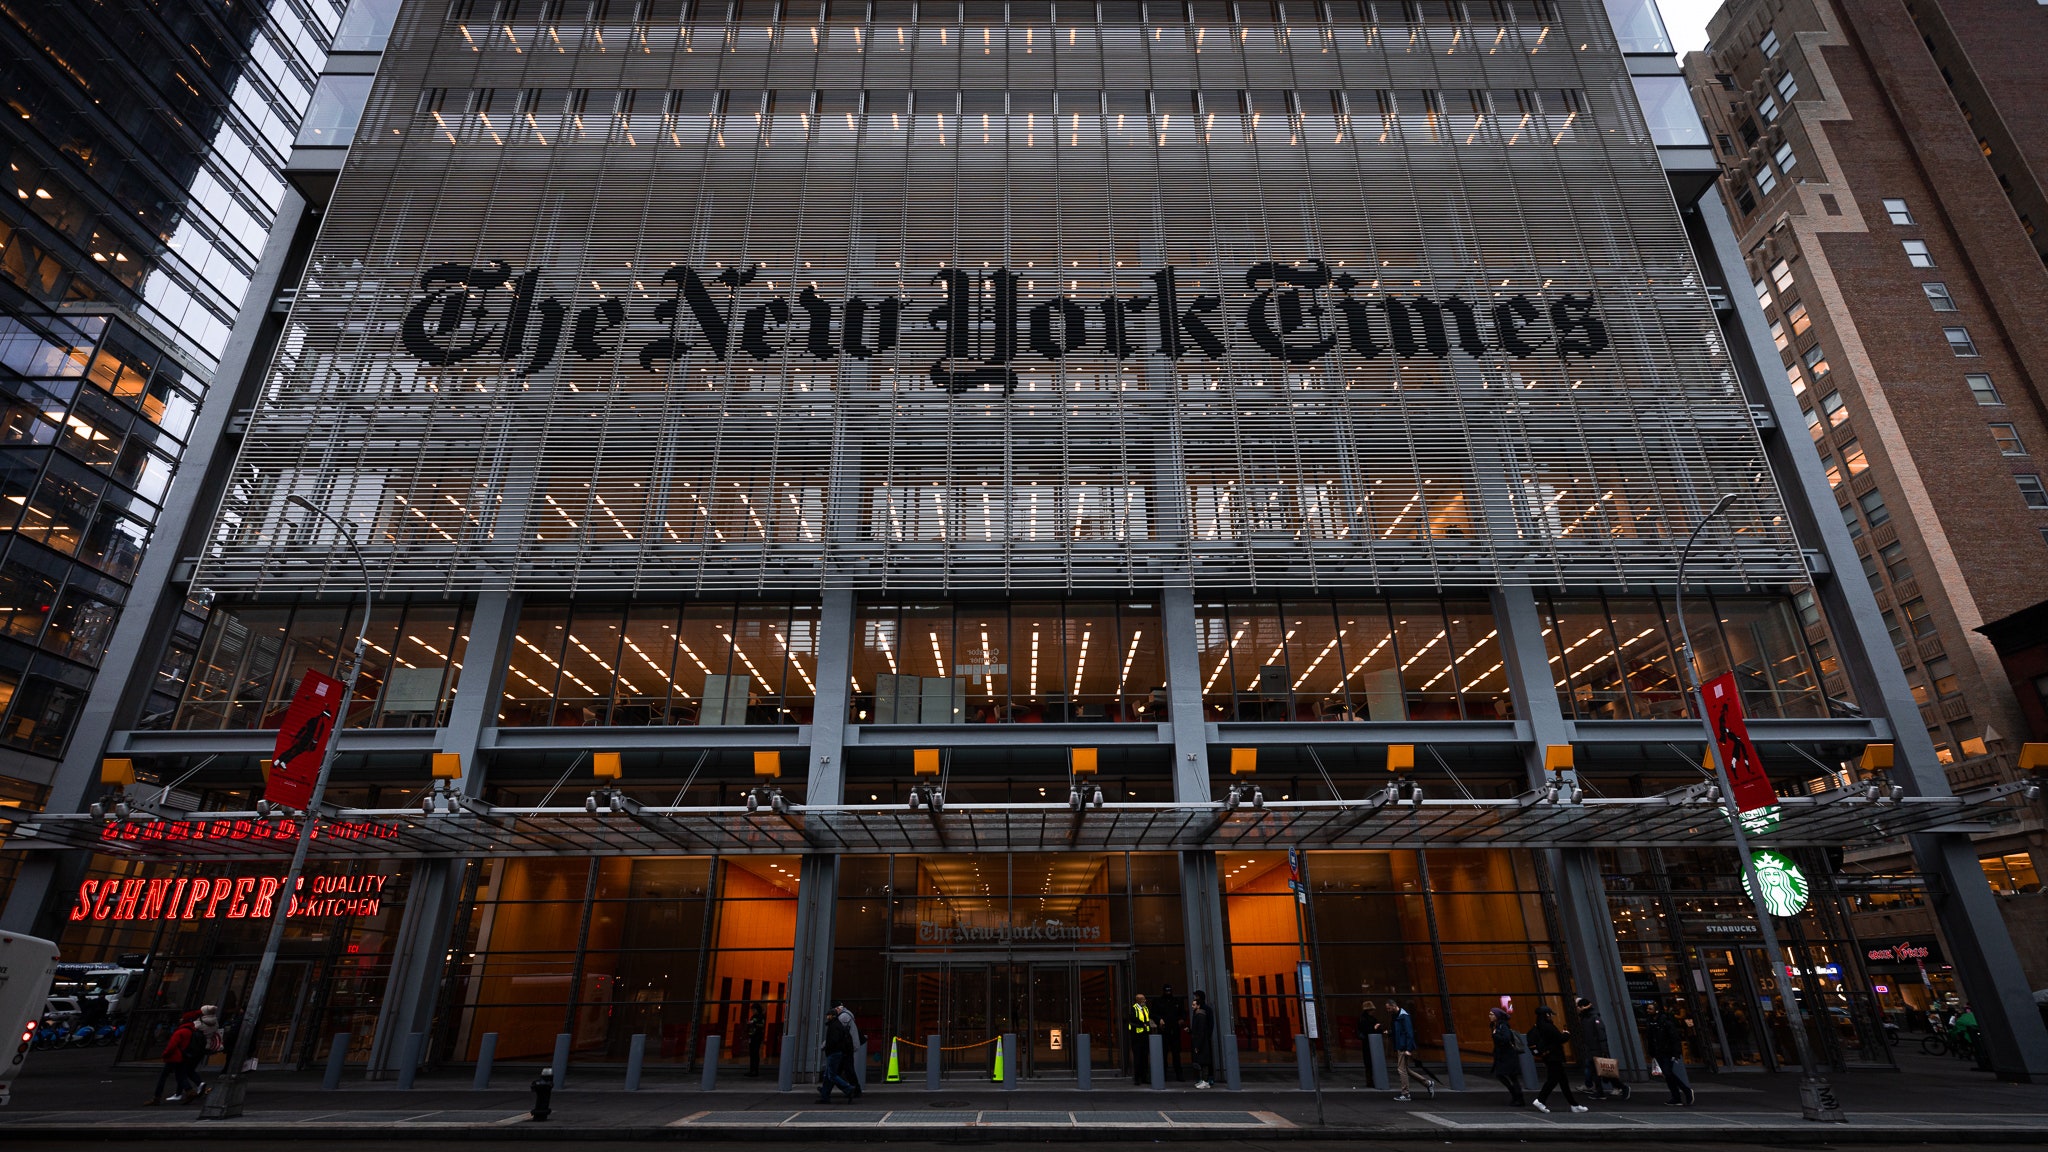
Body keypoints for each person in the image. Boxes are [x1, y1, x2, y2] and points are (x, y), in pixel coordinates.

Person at [1527, 1005, 1586, 1114]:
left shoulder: (1539, 1026)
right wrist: (1566, 1034)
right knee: (1553, 1080)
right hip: (1554, 1057)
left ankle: (1574, 1104)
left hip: (1549, 1057)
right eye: (1549, 1014)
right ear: (1546, 1015)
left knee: (1563, 1082)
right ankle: (1540, 1100)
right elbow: (1559, 1039)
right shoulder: (1548, 1027)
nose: (1550, 1016)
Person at [1574, 997, 1628, 1100]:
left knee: (1605, 1071)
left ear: (1582, 1007)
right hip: (1592, 1048)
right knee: (1597, 1072)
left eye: (1578, 1006)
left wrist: (1604, 1051)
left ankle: (1622, 1087)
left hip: (1596, 1049)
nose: (1577, 1008)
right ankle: (1600, 1092)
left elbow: (1601, 1034)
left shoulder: (1593, 1018)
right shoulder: (1586, 1018)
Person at [148, 1010, 204, 1105]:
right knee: (180, 1075)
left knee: (164, 1076)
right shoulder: (191, 1031)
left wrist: (164, 1054)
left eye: (182, 1018)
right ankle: (189, 1091)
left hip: (174, 1057)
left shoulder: (180, 1031)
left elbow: (171, 1046)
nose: (180, 1019)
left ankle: (156, 1097)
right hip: (183, 1056)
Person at [1643, 1001, 1694, 1106]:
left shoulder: (1665, 1021)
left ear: (1656, 1010)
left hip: (1667, 1051)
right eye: (1648, 1009)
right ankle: (1677, 1096)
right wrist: (1652, 1052)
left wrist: (1676, 1053)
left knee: (1668, 1073)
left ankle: (1685, 1091)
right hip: (1659, 1051)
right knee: (1667, 1075)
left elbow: (1674, 1037)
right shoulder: (1650, 1021)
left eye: (1650, 1009)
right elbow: (1650, 1038)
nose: (1648, 1011)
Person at [1382, 998, 1432, 1101]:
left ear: (1393, 1006)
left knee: (1401, 1070)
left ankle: (1405, 1094)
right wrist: (1390, 1032)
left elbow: (1409, 1033)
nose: (1388, 1010)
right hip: (1400, 1045)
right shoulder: (1396, 1016)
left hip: (1403, 1046)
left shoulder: (1404, 1016)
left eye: (1388, 1008)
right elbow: (1398, 1031)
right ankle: (1427, 1083)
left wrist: (1408, 1049)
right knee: (1405, 1069)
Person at [817, 1007, 860, 1104]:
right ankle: (825, 1095)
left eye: (829, 1016)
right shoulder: (837, 1024)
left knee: (831, 1075)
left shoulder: (835, 1026)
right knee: (828, 1075)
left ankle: (848, 1088)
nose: (827, 1017)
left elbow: (834, 1040)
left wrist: (826, 1047)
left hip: (834, 1053)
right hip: (837, 1052)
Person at [1488, 1006, 1526, 1108]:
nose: (1490, 1016)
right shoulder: (1495, 1026)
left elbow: (1506, 1038)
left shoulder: (1503, 1026)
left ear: (1497, 1016)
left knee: (1509, 1076)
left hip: (1508, 1056)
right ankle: (1517, 1097)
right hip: (1503, 1056)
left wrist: (1495, 1036)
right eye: (1490, 1014)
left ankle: (1518, 1097)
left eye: (1492, 1014)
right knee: (1506, 1076)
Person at [1158, 985, 1187, 1081]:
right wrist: (1159, 1020)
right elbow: (1154, 1013)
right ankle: (1164, 1074)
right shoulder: (1159, 1002)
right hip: (1164, 1030)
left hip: (1174, 1030)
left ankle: (1179, 1074)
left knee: (1176, 1054)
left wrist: (1182, 1019)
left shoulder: (1176, 1001)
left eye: (1169, 991)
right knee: (1164, 1053)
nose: (1168, 992)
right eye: (1166, 991)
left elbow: (1183, 1013)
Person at [1189, 990, 1216, 1089]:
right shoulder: (1198, 1010)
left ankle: (1207, 1079)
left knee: (1204, 1059)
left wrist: (1206, 1036)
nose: (1195, 998)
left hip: (1203, 1038)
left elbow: (1209, 1025)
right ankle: (1203, 1079)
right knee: (1202, 1059)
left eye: (1196, 997)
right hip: (1201, 1037)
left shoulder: (1203, 1011)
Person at [1128, 991, 1155, 1084]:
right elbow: (1133, 1019)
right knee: (1137, 1058)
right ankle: (1137, 1078)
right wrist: (1142, 1024)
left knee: (1144, 1058)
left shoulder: (1146, 1008)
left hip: (1145, 1035)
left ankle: (1144, 1077)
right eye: (1143, 999)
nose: (1145, 1000)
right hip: (1136, 1036)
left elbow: (1149, 1018)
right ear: (1138, 1000)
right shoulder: (1134, 1009)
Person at [745, 1002, 767, 1077]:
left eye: (754, 1009)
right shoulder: (753, 1016)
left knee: (755, 1053)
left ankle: (755, 1070)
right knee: (752, 1054)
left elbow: (761, 1025)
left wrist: (753, 1024)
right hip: (752, 1036)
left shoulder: (761, 1016)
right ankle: (752, 1070)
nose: (753, 1011)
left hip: (757, 1037)